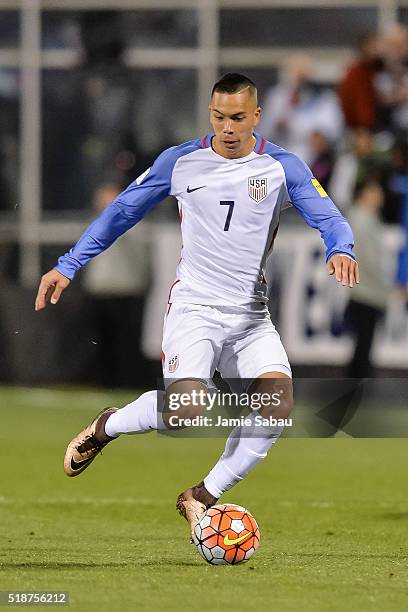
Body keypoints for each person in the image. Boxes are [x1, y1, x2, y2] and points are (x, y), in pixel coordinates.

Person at [35, 73, 359, 538]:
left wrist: (340, 247)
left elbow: (327, 215)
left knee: (278, 403)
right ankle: (109, 426)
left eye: (238, 118)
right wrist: (68, 264)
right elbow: (123, 210)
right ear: (211, 114)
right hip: (196, 308)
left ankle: (201, 497)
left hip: (251, 317)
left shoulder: (282, 166)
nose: (228, 128)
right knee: (187, 408)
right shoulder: (181, 161)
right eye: (220, 117)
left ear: (257, 117)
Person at [346, 178, 391, 378]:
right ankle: (358, 384)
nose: (380, 197)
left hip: (362, 290)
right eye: (376, 192)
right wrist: (387, 288)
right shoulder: (363, 220)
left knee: (362, 343)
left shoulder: (363, 218)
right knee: (364, 343)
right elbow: (370, 262)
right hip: (366, 292)